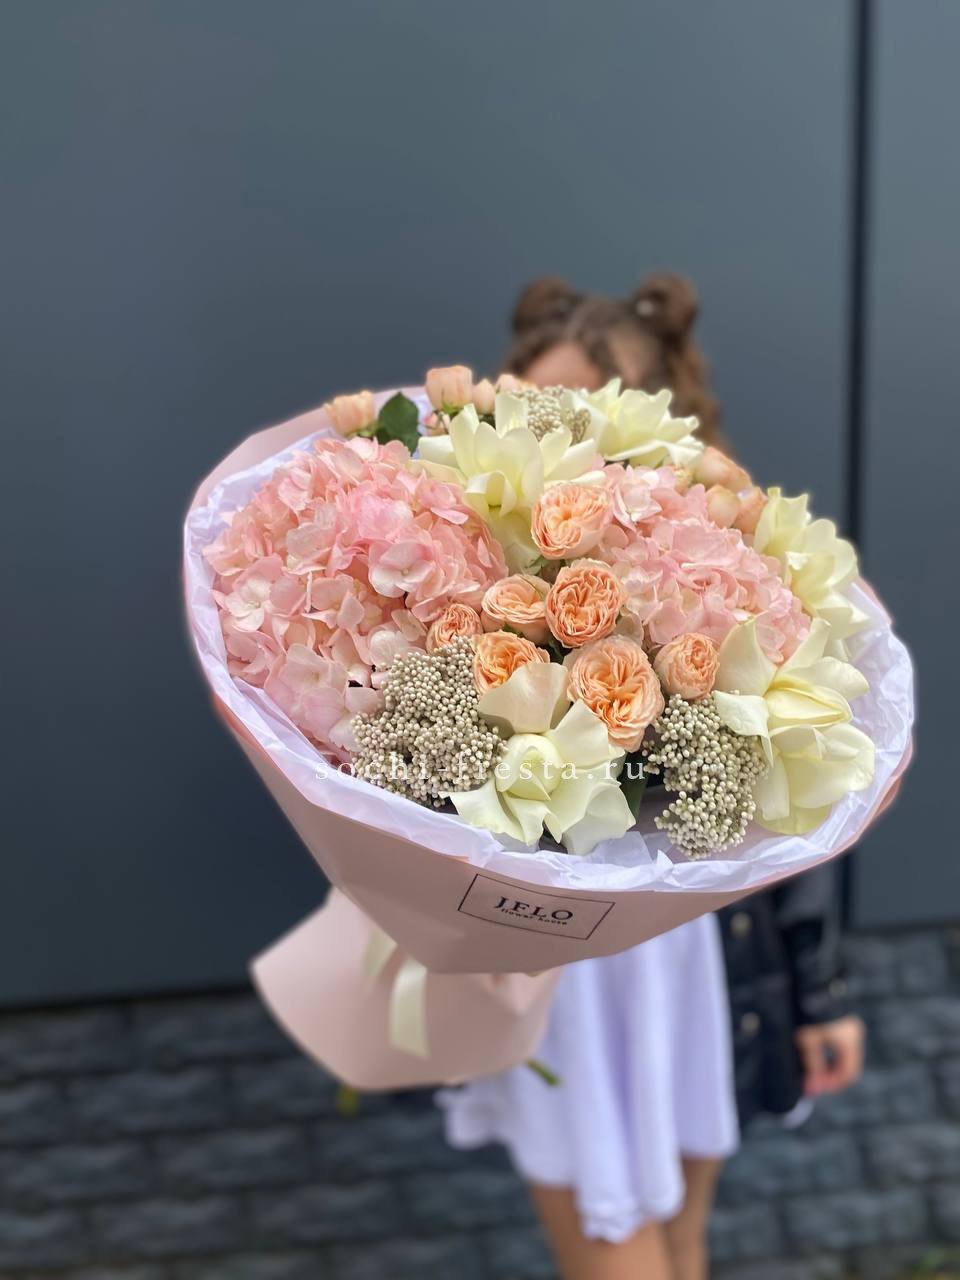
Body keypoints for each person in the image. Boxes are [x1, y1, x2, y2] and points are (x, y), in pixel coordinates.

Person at [438, 273, 864, 1280]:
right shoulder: (460, 553)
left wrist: (821, 991)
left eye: (590, 416)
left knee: (682, 1245)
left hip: (690, 959)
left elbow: (782, 796)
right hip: (559, 972)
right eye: (535, 409)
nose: (561, 441)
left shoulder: (721, 554)